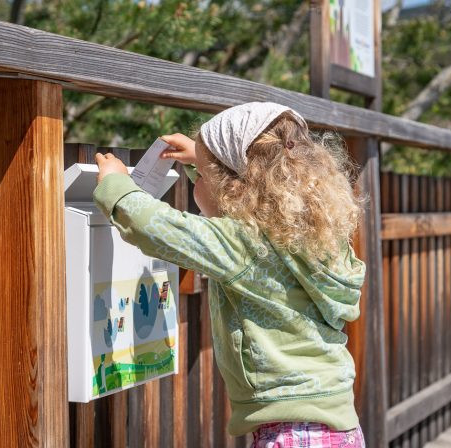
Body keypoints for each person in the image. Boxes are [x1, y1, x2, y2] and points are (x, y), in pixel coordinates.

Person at [93, 102, 366, 447]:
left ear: (233, 190)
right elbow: (236, 188)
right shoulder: (312, 238)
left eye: (202, 176)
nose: (197, 182)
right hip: (337, 425)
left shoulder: (243, 245)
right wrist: (204, 160)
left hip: (291, 434)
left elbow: (152, 225)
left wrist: (116, 185)